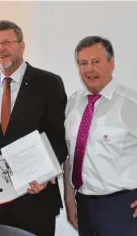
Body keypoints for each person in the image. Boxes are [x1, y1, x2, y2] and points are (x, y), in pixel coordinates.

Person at [0, 20, 68, 236]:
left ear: (21, 46)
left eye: (7, 42)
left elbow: (59, 137)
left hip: (36, 195)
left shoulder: (48, 83)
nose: (1, 49)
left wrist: (45, 174)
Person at [63, 36, 137, 236]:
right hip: (84, 203)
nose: (89, 69)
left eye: (96, 62)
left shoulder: (131, 103)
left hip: (122, 207)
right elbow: (70, 155)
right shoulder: (73, 104)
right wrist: (69, 199)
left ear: (111, 64)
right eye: (83, 63)